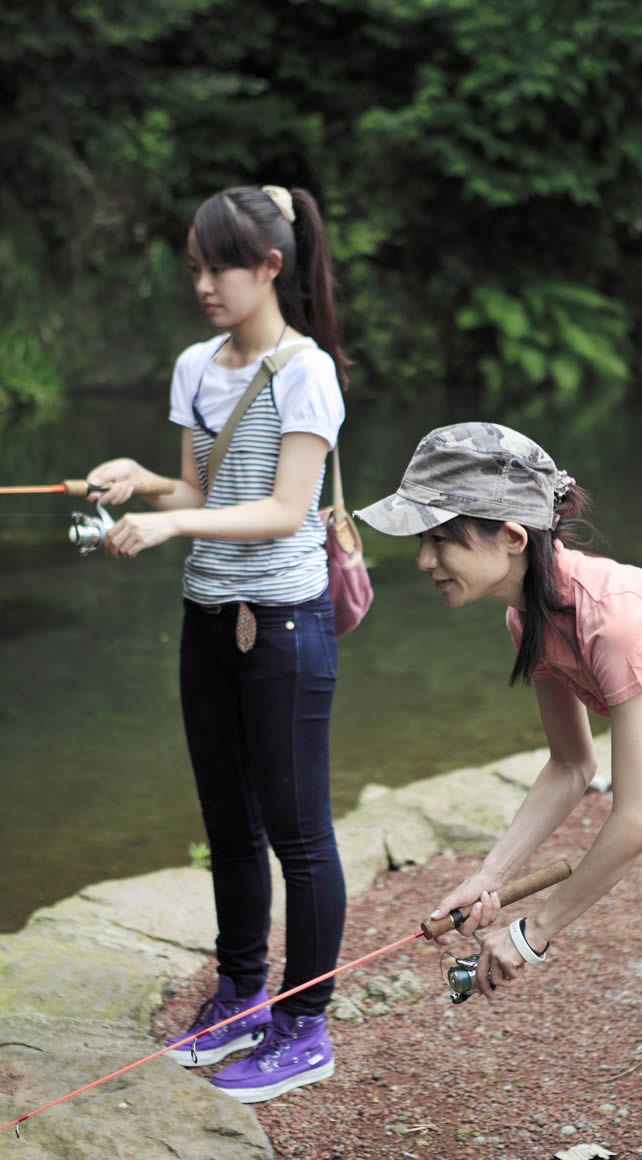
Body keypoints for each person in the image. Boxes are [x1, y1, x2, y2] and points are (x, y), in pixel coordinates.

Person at [355, 421, 642, 1160]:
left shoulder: (613, 620)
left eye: (440, 538)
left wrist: (532, 932)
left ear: (510, 536)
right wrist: (487, 877)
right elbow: (570, 765)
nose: (422, 560)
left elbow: (637, 817)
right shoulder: (532, 617)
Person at [86, 184, 348, 1103]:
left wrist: (167, 530)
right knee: (227, 825)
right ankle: (239, 994)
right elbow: (197, 492)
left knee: (299, 833)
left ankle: (304, 1026)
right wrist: (142, 483)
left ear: (270, 267)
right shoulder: (196, 364)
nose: (202, 284)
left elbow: (283, 511)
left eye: (219, 267)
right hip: (208, 619)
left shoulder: (307, 369)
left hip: (284, 625)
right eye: (194, 267)